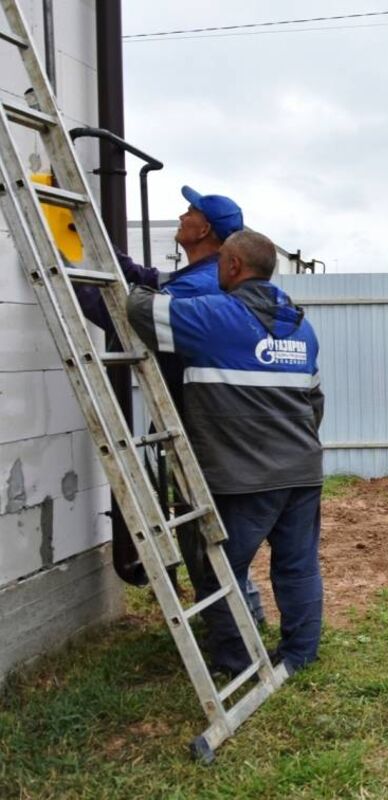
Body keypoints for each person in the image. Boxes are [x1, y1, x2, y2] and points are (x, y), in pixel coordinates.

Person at [126, 229, 325, 675]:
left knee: (218, 569)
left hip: (243, 478)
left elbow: (140, 309)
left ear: (233, 266)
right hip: (302, 471)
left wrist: (143, 280)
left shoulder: (216, 317)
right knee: (298, 566)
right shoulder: (301, 327)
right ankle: (300, 655)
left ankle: (238, 662)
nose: (215, 270)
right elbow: (314, 403)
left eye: (218, 263)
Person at [78, 186, 267, 624]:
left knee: (206, 537)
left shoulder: (199, 286)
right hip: (199, 423)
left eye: (189, 212)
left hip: (199, 427)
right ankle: (233, 621)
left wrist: (71, 271)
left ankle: (236, 629)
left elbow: (123, 318)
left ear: (205, 229)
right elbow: (150, 281)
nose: (181, 216)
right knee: (205, 531)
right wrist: (103, 251)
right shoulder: (200, 276)